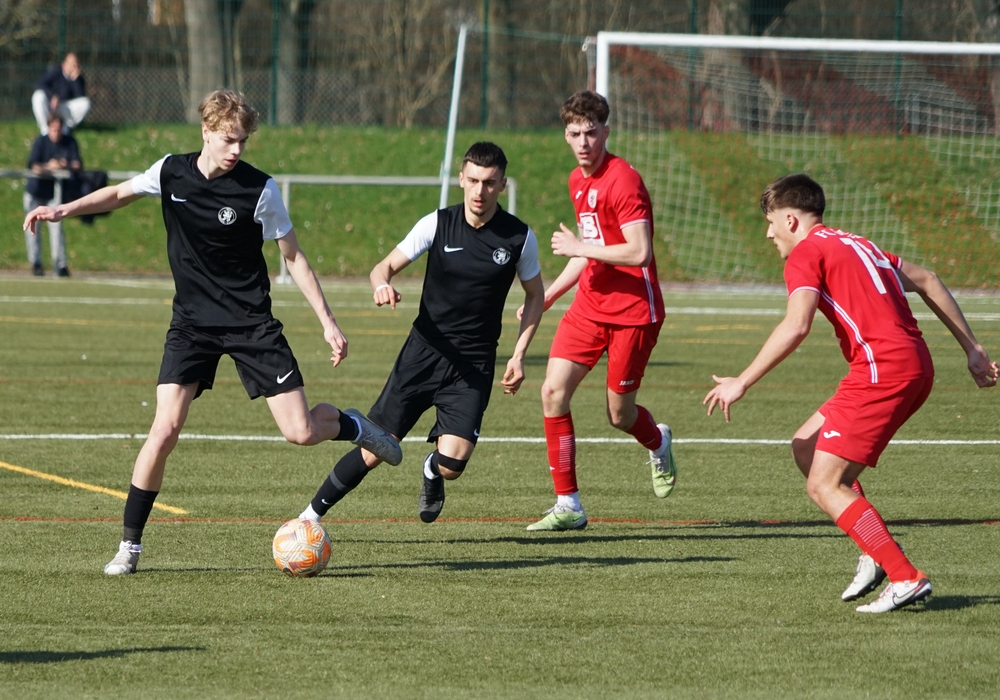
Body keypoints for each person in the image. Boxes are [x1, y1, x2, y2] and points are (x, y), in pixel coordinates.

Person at [23, 89, 402, 575]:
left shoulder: (260, 190)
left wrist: (328, 322)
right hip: (192, 325)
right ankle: (129, 547)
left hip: (251, 324)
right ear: (206, 132)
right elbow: (119, 193)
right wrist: (63, 210)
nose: (237, 149)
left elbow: (294, 257)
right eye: (228, 139)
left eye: (243, 140)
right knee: (164, 430)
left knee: (301, 431)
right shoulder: (171, 171)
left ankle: (354, 425)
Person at [703, 173, 998, 613]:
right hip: (907, 364)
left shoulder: (805, 253)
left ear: (790, 220)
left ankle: (905, 577)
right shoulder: (859, 243)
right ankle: (873, 551)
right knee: (806, 446)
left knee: (823, 484)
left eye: (770, 223)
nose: (768, 234)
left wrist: (742, 379)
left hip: (884, 370)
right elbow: (930, 278)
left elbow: (797, 324)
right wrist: (973, 349)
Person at [297, 142, 545, 526]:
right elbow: (382, 268)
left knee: (452, 465)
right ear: (461, 179)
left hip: (473, 364)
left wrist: (518, 354)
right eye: (474, 180)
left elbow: (535, 295)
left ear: (502, 184)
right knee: (376, 448)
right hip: (423, 353)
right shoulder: (437, 223)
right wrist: (382, 285)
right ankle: (309, 517)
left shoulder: (518, 238)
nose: (480, 191)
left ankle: (431, 470)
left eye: (490, 182)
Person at [524, 90, 676, 532]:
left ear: (606, 132)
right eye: (575, 134)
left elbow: (640, 252)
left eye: (592, 133)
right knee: (552, 393)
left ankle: (658, 441)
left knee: (619, 415)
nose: (584, 142)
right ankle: (568, 503)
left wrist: (578, 246)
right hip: (589, 307)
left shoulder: (623, 180)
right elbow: (588, 255)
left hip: (633, 312)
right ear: (566, 135)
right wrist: (548, 296)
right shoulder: (577, 180)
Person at [24, 113, 80, 277]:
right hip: (36, 192)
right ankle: (36, 263)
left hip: (54, 195)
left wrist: (65, 165)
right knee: (32, 229)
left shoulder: (69, 142)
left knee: (57, 229)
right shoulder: (40, 142)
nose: (56, 132)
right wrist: (50, 167)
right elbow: (33, 166)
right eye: (53, 129)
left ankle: (60, 264)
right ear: (48, 128)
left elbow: (77, 164)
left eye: (58, 129)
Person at [32, 52, 91, 135]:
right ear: (64, 64)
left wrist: (75, 80)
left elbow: (80, 97)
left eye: (76, 64)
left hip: (64, 108)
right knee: (38, 96)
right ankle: (45, 128)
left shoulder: (79, 79)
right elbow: (39, 83)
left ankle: (65, 127)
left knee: (86, 103)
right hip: (50, 106)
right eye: (72, 64)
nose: (75, 67)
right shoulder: (56, 72)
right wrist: (52, 96)